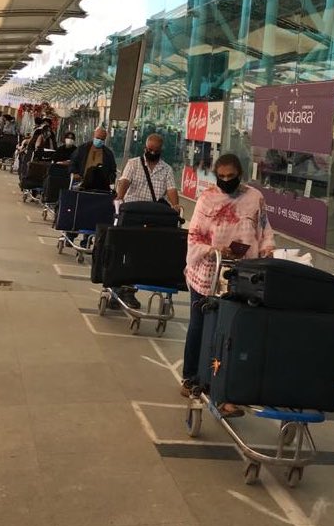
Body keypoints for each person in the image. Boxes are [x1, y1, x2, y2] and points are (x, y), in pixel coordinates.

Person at [181, 152, 275, 416]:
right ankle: (191, 377)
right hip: (207, 273)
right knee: (201, 327)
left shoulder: (255, 198)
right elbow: (194, 237)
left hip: (242, 275)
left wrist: (267, 251)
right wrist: (214, 249)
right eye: (221, 177)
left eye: (230, 176)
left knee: (232, 332)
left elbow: (265, 230)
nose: (225, 181)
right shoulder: (207, 199)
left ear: (240, 175)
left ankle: (227, 385)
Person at [114, 133, 182, 310]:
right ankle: (120, 288)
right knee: (126, 251)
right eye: (149, 149)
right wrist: (120, 197)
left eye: (155, 150)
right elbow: (124, 181)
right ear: (145, 147)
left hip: (152, 215)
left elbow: (171, 189)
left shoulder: (166, 169)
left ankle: (129, 289)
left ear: (161, 150)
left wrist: (175, 205)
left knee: (143, 253)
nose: (152, 152)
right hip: (132, 213)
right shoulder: (134, 164)